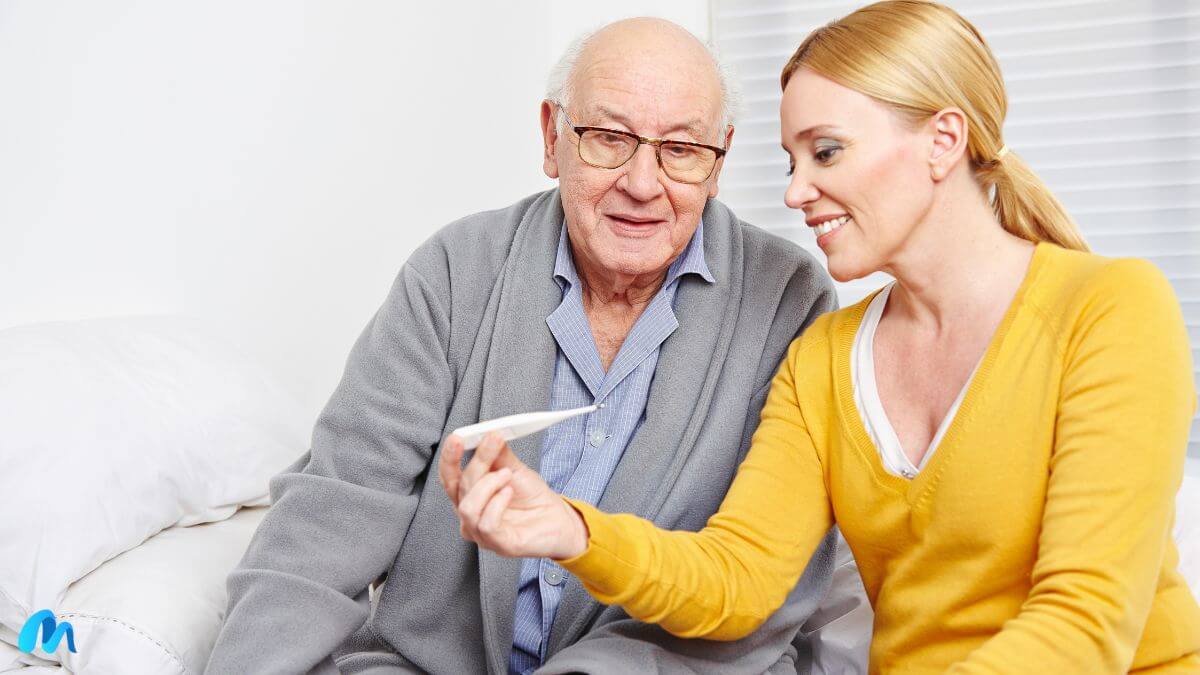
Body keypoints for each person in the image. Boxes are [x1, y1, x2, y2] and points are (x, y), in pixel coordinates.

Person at [443, 1, 1200, 672]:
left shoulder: (1110, 309)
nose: (795, 190)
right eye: (790, 159)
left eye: (827, 151)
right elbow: (739, 576)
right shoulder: (825, 357)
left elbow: (1084, 622)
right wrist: (572, 529)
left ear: (942, 141)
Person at [205, 16, 871, 675]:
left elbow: (760, 586)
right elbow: (330, 514)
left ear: (718, 160)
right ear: (552, 136)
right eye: (609, 138)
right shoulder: (454, 272)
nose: (643, 183)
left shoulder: (786, 297)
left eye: (680, 149)